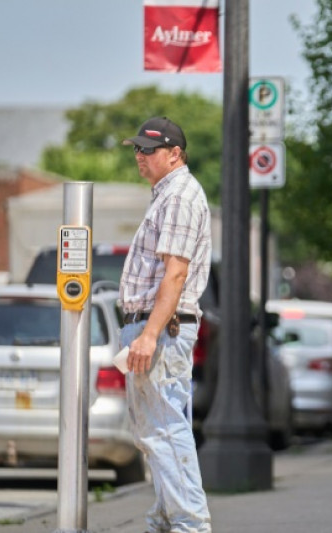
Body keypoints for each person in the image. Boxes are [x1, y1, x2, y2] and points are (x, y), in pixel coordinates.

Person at [118, 116, 213, 533]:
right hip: (157, 327)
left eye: (149, 149)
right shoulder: (167, 195)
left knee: (164, 432)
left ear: (175, 153)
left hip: (162, 328)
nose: (140, 156)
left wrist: (149, 334)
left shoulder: (178, 197)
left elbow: (175, 274)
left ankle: (190, 525)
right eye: (137, 148)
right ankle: (165, 520)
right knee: (155, 432)